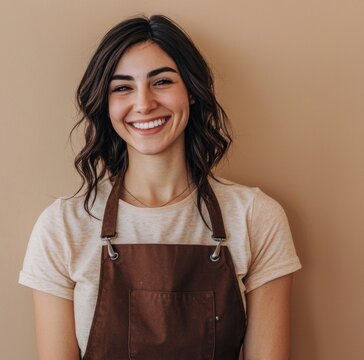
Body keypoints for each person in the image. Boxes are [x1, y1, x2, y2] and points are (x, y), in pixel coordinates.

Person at [19, 14, 302, 360]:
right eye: (122, 87)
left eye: (162, 81)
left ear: (192, 92)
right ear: (106, 106)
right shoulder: (63, 226)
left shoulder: (256, 217)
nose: (144, 103)